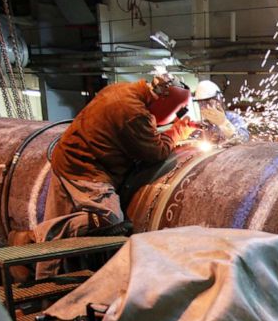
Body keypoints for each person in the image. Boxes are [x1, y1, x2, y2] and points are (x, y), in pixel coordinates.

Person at [14, 75, 196, 278]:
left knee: (58, 235)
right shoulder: (134, 113)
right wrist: (178, 131)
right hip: (86, 170)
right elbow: (156, 152)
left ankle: (44, 287)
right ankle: (31, 237)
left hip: (66, 157)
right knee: (110, 220)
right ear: (165, 102)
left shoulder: (121, 90)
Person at [192, 80, 249, 145]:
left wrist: (223, 123)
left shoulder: (234, 118)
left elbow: (243, 140)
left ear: (219, 101)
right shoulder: (202, 125)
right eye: (201, 104)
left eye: (208, 102)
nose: (205, 107)